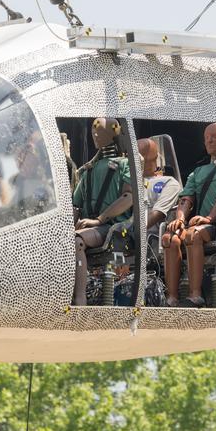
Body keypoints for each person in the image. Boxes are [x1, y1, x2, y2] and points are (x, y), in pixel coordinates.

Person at [162, 123, 216, 307]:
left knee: (194, 234)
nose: (209, 140)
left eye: (214, 136)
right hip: (199, 223)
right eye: (206, 137)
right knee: (170, 239)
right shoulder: (198, 171)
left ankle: (195, 295)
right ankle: (172, 297)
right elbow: (186, 199)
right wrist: (180, 218)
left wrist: (210, 217)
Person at [71, 118, 132, 306]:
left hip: (115, 229)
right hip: (92, 227)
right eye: (94, 131)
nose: (96, 134)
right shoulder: (87, 171)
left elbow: (129, 197)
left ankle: (79, 301)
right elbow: (75, 206)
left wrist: (99, 219)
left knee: (76, 241)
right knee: (64, 241)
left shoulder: (125, 164)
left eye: (101, 130)